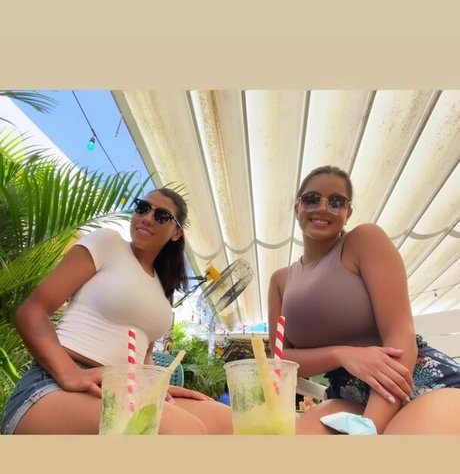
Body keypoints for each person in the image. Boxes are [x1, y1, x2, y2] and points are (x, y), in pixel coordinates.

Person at [1, 187, 233, 435]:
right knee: (183, 430)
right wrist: (69, 373)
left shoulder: (162, 288)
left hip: (129, 389)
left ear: (176, 233)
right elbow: (32, 312)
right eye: (142, 208)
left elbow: (144, 354)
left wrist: (156, 387)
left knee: (227, 421)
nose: (147, 217)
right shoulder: (108, 243)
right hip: (55, 384)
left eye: (161, 215)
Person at [268, 165, 460, 434]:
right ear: (297, 207)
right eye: (312, 199)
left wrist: (369, 426)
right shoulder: (280, 281)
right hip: (347, 396)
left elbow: (399, 334)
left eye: (336, 202)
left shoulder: (364, 241)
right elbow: (282, 360)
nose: (323, 207)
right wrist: (342, 354)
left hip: (412, 380)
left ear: (348, 213)